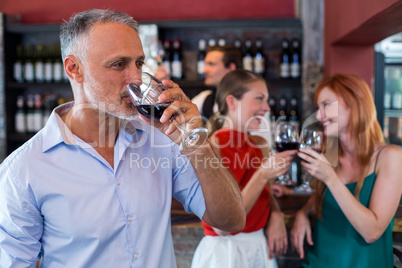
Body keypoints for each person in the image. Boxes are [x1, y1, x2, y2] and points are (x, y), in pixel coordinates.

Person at [0, 9, 247, 267]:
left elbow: (231, 221)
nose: (137, 78)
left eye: (139, 63)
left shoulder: (162, 138)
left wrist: (197, 142)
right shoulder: (23, 171)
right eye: (119, 65)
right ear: (74, 69)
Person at [290, 73, 402, 267]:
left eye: (326, 105)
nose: (318, 115)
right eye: (318, 108)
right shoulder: (330, 153)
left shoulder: (390, 156)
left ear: (354, 104)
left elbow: (372, 232)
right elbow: (322, 197)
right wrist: (302, 213)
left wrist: (330, 178)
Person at [191, 69, 298, 268]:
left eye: (266, 100)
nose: (266, 107)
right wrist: (263, 174)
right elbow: (223, 226)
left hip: (258, 247)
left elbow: (258, 191)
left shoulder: (259, 144)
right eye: (259, 99)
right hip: (227, 254)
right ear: (232, 102)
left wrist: (275, 212)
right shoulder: (214, 146)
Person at [191, 45, 242, 120]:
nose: (204, 70)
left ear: (231, 68)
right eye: (206, 64)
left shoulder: (248, 101)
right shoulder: (204, 99)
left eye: (211, 64)